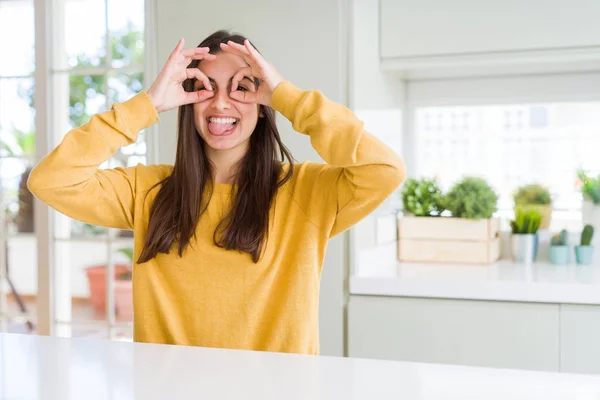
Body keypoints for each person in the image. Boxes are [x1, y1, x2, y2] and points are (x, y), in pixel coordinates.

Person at [28, 30, 406, 355]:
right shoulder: (146, 190)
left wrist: (286, 97)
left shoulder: (308, 192)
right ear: (187, 103)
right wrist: (146, 105)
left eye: (242, 87)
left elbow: (385, 170)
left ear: (263, 106)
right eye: (204, 88)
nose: (221, 103)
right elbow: (51, 180)